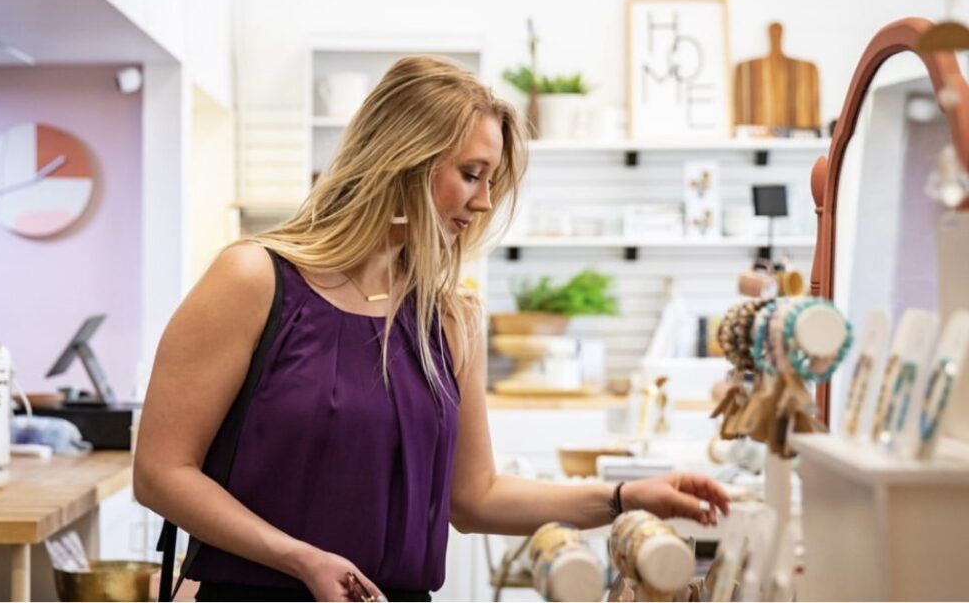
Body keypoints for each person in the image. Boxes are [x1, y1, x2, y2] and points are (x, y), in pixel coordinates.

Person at [133, 55, 730, 602]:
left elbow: (475, 497)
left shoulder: (448, 317)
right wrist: (299, 559)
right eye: (473, 173)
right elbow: (162, 473)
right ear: (404, 160)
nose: (485, 202)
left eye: (493, 180)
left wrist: (623, 499)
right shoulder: (254, 278)